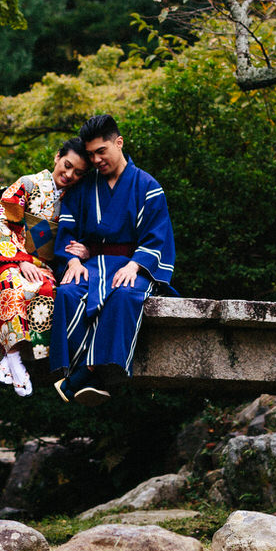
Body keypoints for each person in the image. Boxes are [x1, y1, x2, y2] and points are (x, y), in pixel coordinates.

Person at [0, 139, 91, 396]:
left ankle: (14, 358)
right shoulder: (27, 184)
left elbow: (81, 235)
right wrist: (20, 259)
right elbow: (2, 223)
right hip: (8, 258)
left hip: (44, 266)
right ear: (57, 157)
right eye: (67, 166)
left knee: (48, 291)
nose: (69, 175)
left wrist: (84, 250)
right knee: (11, 285)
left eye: (78, 172)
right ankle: (13, 356)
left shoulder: (77, 198)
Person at [49, 114, 175, 405]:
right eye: (90, 154)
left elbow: (157, 237)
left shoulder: (147, 186)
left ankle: (85, 374)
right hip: (91, 265)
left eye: (101, 151)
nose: (95, 160)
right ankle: (89, 377)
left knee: (125, 296)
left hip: (133, 265)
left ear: (118, 143)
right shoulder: (83, 187)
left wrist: (135, 264)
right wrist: (72, 261)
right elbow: (68, 228)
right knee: (68, 291)